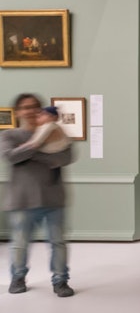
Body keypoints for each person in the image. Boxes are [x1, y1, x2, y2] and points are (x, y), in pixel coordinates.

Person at [0, 94, 76, 296]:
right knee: (19, 244)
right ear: (18, 112)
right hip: (21, 200)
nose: (31, 110)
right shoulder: (9, 136)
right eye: (25, 107)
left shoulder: (56, 132)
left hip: (54, 198)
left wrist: (31, 150)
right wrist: (44, 151)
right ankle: (18, 278)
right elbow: (11, 156)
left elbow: (66, 157)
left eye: (35, 106)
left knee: (58, 243)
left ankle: (61, 281)